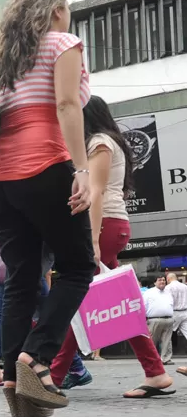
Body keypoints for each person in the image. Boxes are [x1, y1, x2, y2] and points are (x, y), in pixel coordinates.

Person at [0, 0, 97, 415]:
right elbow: (67, 106)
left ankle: (14, 384)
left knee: (21, 280)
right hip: (44, 166)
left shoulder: (3, 65)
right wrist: (81, 170)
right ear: (57, 9)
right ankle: (37, 356)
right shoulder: (63, 42)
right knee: (79, 265)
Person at [48, 96, 173, 397]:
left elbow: (97, 191)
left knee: (80, 300)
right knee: (103, 301)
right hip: (107, 225)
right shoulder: (104, 142)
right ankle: (155, 372)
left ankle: (53, 376)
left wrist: (91, 239)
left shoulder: (101, 143)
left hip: (103, 225)